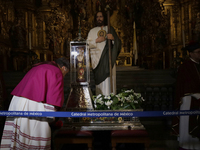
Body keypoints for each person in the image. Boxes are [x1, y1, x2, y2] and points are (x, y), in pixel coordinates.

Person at [0, 57, 70, 150]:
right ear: (63, 68)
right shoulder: (56, 71)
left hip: (18, 102)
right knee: (37, 137)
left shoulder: (40, 66)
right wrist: (55, 119)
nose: (64, 76)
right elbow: (54, 97)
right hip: (33, 105)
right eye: (66, 73)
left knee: (19, 140)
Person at [172, 41, 200, 150]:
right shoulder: (186, 67)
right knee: (188, 125)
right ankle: (188, 146)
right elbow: (186, 85)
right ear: (191, 53)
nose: (199, 55)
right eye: (198, 52)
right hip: (189, 100)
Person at [87, 11, 121, 96]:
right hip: (97, 63)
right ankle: (100, 103)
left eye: (101, 16)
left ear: (104, 18)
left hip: (109, 61)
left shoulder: (109, 29)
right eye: (97, 17)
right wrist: (96, 41)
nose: (99, 18)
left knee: (110, 82)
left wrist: (113, 39)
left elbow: (118, 44)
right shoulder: (92, 31)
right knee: (100, 86)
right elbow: (86, 44)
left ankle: (111, 102)